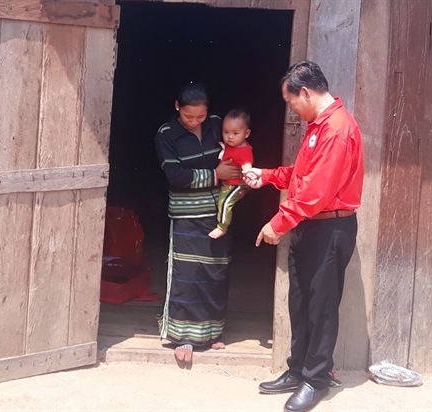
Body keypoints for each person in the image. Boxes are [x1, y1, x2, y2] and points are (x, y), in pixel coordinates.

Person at [244, 61, 364, 412]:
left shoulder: (338, 129)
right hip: (310, 226)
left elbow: (316, 194)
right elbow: (302, 177)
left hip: (329, 227)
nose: (291, 108)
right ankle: (298, 370)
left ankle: (316, 379)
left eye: (291, 100)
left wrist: (276, 224)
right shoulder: (318, 127)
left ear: (306, 93)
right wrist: (266, 175)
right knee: (301, 302)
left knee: (322, 306)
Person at [154, 83, 242, 364]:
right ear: (177, 107)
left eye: (200, 116)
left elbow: (236, 152)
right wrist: (216, 174)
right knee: (187, 275)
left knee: (214, 274)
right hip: (187, 216)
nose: (194, 121)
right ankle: (184, 337)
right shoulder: (167, 134)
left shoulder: (217, 126)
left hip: (217, 215)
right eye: (189, 116)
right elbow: (176, 176)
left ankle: (210, 332)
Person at [208, 109, 254, 239]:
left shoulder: (243, 151)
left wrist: (247, 183)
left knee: (224, 202)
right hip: (228, 184)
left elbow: (247, 168)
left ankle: (222, 227)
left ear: (247, 133)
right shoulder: (232, 144)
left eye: (235, 133)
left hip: (236, 185)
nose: (229, 136)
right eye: (226, 132)